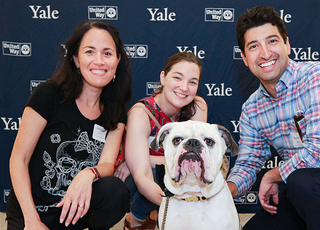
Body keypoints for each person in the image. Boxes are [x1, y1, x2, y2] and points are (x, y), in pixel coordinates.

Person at [6, 20, 131, 230]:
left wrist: (87, 174)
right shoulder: (49, 94)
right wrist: (31, 219)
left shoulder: (116, 110)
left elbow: (108, 164)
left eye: (107, 53)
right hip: (33, 211)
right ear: (75, 59)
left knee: (114, 190)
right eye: (90, 52)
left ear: (117, 60)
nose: (99, 61)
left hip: (74, 212)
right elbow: (19, 158)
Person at [226, 5, 320, 230]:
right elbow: (249, 162)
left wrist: (273, 175)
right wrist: (223, 191)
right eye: (254, 46)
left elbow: (317, 151)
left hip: (308, 185)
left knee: (301, 181)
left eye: (272, 41)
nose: (265, 53)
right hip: (303, 192)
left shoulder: (314, 77)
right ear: (245, 58)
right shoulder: (251, 109)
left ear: (287, 44)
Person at [114, 52, 208, 229]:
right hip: (140, 180)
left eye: (192, 82)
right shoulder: (141, 113)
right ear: (163, 78)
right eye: (177, 78)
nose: (184, 87)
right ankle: (137, 220)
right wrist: (176, 206)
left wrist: (144, 159)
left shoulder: (198, 107)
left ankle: (156, 214)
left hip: (171, 172)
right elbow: (143, 177)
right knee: (156, 177)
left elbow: (195, 161)